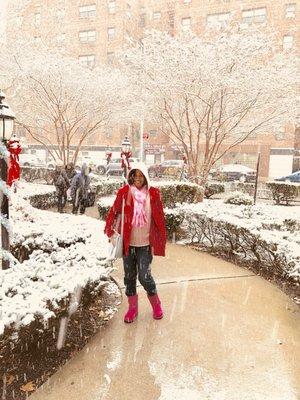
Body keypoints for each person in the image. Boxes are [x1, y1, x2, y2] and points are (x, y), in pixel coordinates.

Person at [104, 162, 167, 323]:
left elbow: (159, 217)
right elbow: (114, 210)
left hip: (145, 245)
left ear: (145, 177)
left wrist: (161, 237)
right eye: (135, 175)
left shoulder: (153, 194)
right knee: (129, 277)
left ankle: (156, 304)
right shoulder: (125, 192)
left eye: (141, 175)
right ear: (131, 176)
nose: (138, 178)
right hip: (128, 244)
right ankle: (132, 309)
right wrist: (109, 230)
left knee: (145, 276)